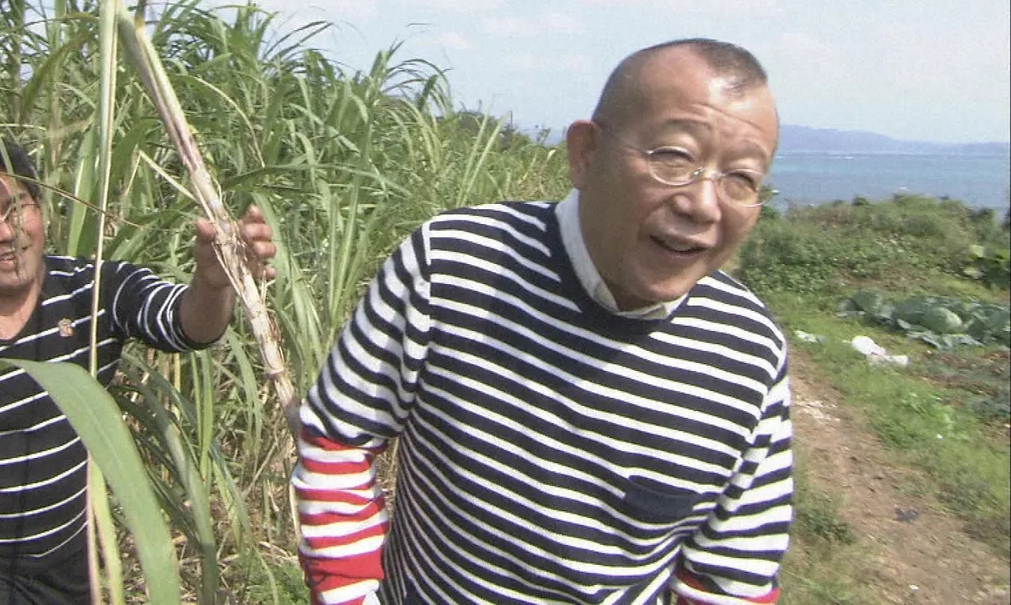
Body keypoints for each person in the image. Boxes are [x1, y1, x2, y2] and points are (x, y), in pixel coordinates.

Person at [292, 39, 792, 605]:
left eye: (741, 179)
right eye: (674, 157)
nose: (704, 204)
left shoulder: (749, 352)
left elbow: (732, 574)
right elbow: (337, 437)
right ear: (585, 154)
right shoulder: (452, 266)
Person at [0, 129, 275, 604]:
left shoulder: (90, 291)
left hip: (67, 572)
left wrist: (214, 283)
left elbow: (186, 324)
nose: (7, 233)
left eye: (18, 207)